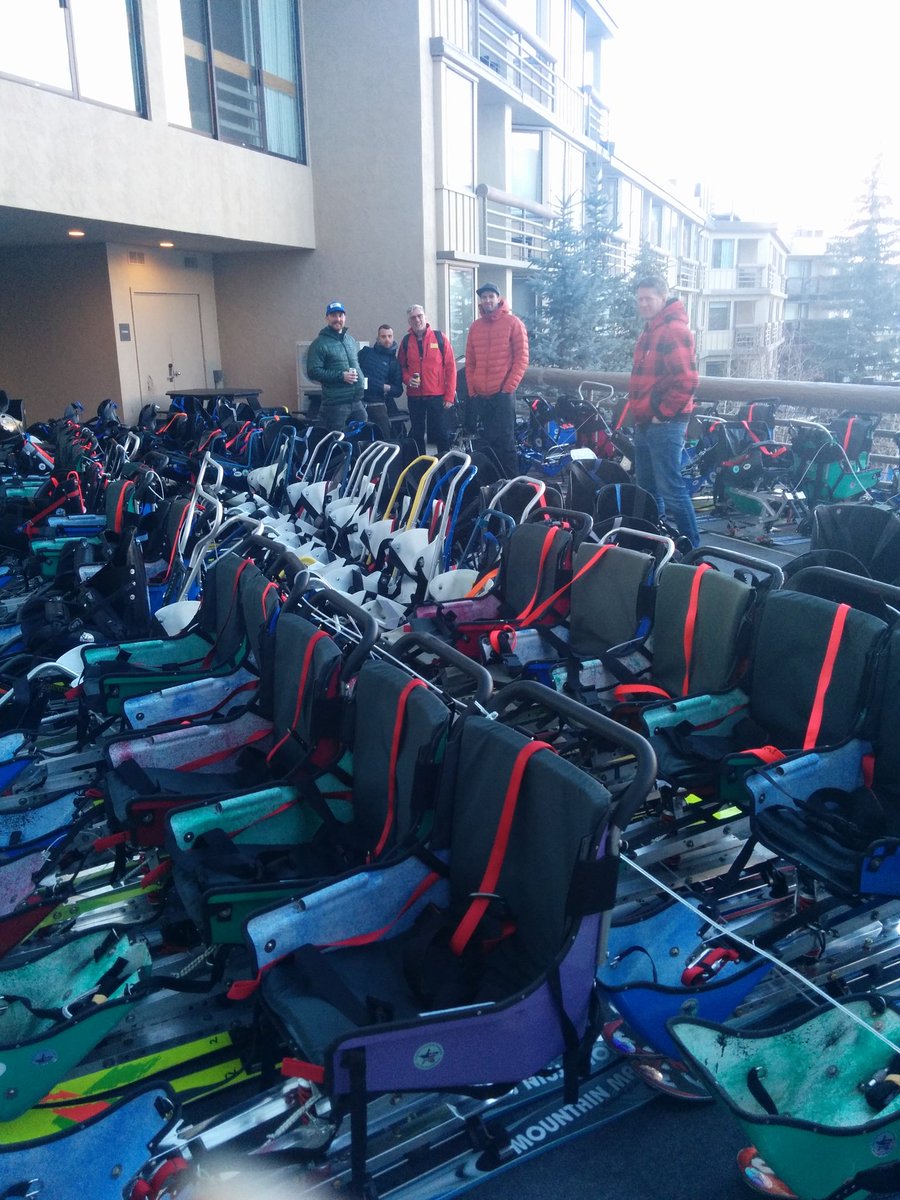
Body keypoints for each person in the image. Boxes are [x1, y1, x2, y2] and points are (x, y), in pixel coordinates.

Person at [626, 275, 701, 548]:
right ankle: (656, 543)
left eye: (649, 299)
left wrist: (662, 414)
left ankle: (693, 549)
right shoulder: (651, 329)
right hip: (646, 421)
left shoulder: (673, 330)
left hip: (664, 424)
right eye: (640, 300)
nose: (643, 304)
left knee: (671, 489)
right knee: (648, 490)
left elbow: (688, 381)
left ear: (662, 297)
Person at [464, 282, 529, 478]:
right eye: (484, 297)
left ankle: (512, 484)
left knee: (506, 443)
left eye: (491, 296)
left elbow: (522, 358)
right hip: (481, 395)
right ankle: (491, 481)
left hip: (502, 394)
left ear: (498, 298)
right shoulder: (475, 327)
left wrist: (508, 388)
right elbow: (470, 362)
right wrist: (472, 389)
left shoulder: (513, 323)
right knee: (487, 442)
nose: (487, 300)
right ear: (480, 301)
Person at [398, 305, 457, 455]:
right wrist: (407, 379)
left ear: (425, 317)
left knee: (441, 433)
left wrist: (449, 396)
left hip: (437, 395)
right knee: (417, 434)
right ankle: (420, 467)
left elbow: (451, 368)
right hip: (415, 396)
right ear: (409, 322)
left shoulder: (439, 338)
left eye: (420, 316)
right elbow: (401, 368)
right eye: (413, 318)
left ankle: (445, 468)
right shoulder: (405, 342)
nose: (417, 320)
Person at [305, 301, 366, 431]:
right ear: (327, 318)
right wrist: (341, 376)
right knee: (338, 443)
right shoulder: (319, 344)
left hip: (357, 401)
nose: (337, 319)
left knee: (363, 437)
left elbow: (355, 364)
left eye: (340, 315)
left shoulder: (350, 340)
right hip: (336, 405)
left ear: (345, 317)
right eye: (333, 316)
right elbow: (313, 371)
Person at [358, 324, 403, 440]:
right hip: (358, 402)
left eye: (389, 336)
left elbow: (398, 390)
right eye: (383, 336)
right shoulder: (365, 353)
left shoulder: (394, 362)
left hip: (378, 404)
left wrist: (386, 388)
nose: (387, 339)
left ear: (393, 337)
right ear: (377, 338)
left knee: (384, 437)